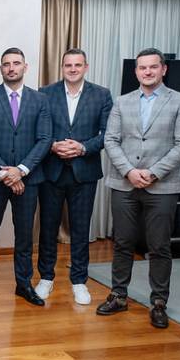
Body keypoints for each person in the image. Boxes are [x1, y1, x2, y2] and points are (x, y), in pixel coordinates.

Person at [98, 48, 180, 328]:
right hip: (124, 183)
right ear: (136, 71)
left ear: (163, 69)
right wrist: (129, 171)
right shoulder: (122, 102)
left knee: (159, 246)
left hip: (163, 186)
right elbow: (111, 140)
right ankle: (118, 295)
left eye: (153, 67)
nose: (148, 72)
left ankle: (159, 302)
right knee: (123, 243)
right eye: (142, 68)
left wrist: (153, 173)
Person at [0, 47, 52, 306]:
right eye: (6, 64)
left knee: (25, 236)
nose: (11, 68)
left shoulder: (40, 100)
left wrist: (21, 171)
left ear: (25, 67)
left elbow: (44, 139)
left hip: (29, 179)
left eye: (16, 63)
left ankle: (24, 285)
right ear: (1, 68)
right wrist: (6, 173)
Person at [35, 48, 113, 305]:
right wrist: (52, 145)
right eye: (68, 65)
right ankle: (46, 278)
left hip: (84, 172)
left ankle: (79, 281)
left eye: (77, 65)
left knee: (80, 229)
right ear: (62, 67)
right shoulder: (45, 93)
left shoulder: (101, 95)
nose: (72, 69)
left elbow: (108, 134)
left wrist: (82, 147)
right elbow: (38, 129)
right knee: (48, 228)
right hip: (52, 171)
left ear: (85, 67)